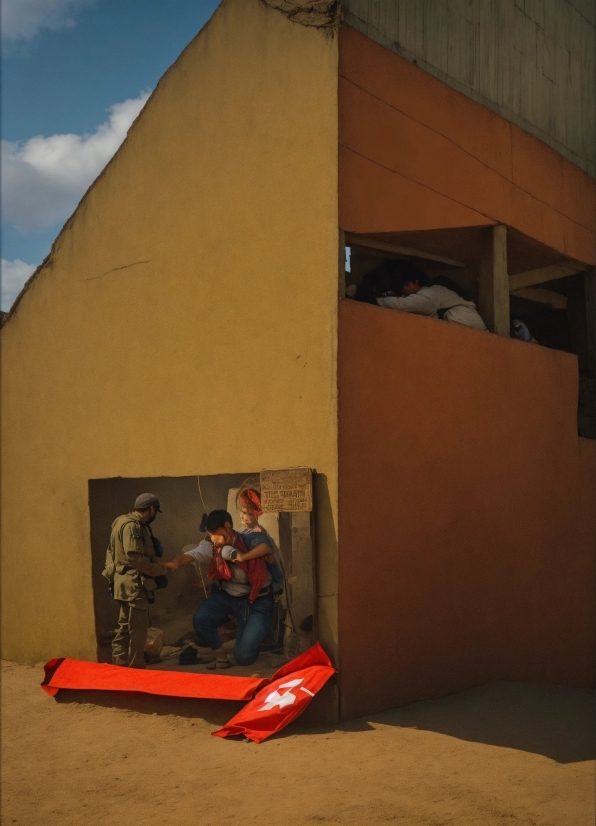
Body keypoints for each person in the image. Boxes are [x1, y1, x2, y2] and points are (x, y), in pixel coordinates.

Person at [172, 509, 274, 668]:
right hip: (229, 598)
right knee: (201, 618)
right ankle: (221, 657)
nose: (214, 539)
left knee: (243, 656)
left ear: (227, 527)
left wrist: (241, 557)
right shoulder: (215, 545)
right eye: (210, 535)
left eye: (216, 534)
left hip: (257, 602)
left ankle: (257, 634)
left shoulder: (249, 539)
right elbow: (192, 554)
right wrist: (176, 563)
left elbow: (265, 546)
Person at [104, 493, 177, 669]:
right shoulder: (133, 527)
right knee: (137, 630)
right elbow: (135, 559)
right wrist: (160, 570)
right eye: (155, 511)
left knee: (123, 628)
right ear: (151, 509)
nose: (155, 515)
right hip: (134, 586)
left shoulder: (120, 521)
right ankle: (136, 667)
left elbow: (111, 553)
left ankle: (119, 665)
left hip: (122, 584)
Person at [356, 260, 487, 331]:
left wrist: (378, 300)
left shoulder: (430, 294)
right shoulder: (431, 293)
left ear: (415, 282)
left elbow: (405, 305)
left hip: (470, 328)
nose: (402, 290)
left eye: (404, 285)